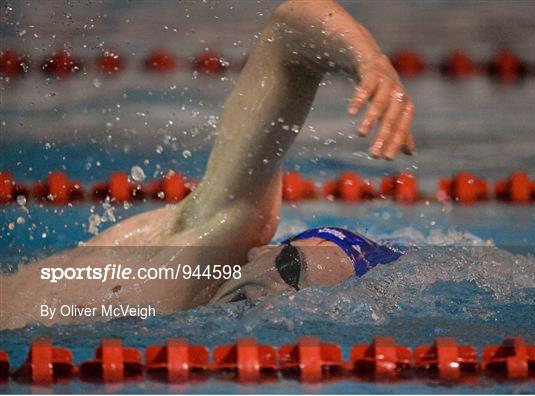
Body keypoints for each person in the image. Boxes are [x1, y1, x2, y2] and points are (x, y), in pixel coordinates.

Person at [0, 0, 415, 329]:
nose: (278, 296)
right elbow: (290, 31)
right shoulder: (213, 242)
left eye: (308, 304)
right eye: (290, 269)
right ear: (265, 249)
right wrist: (370, 59)